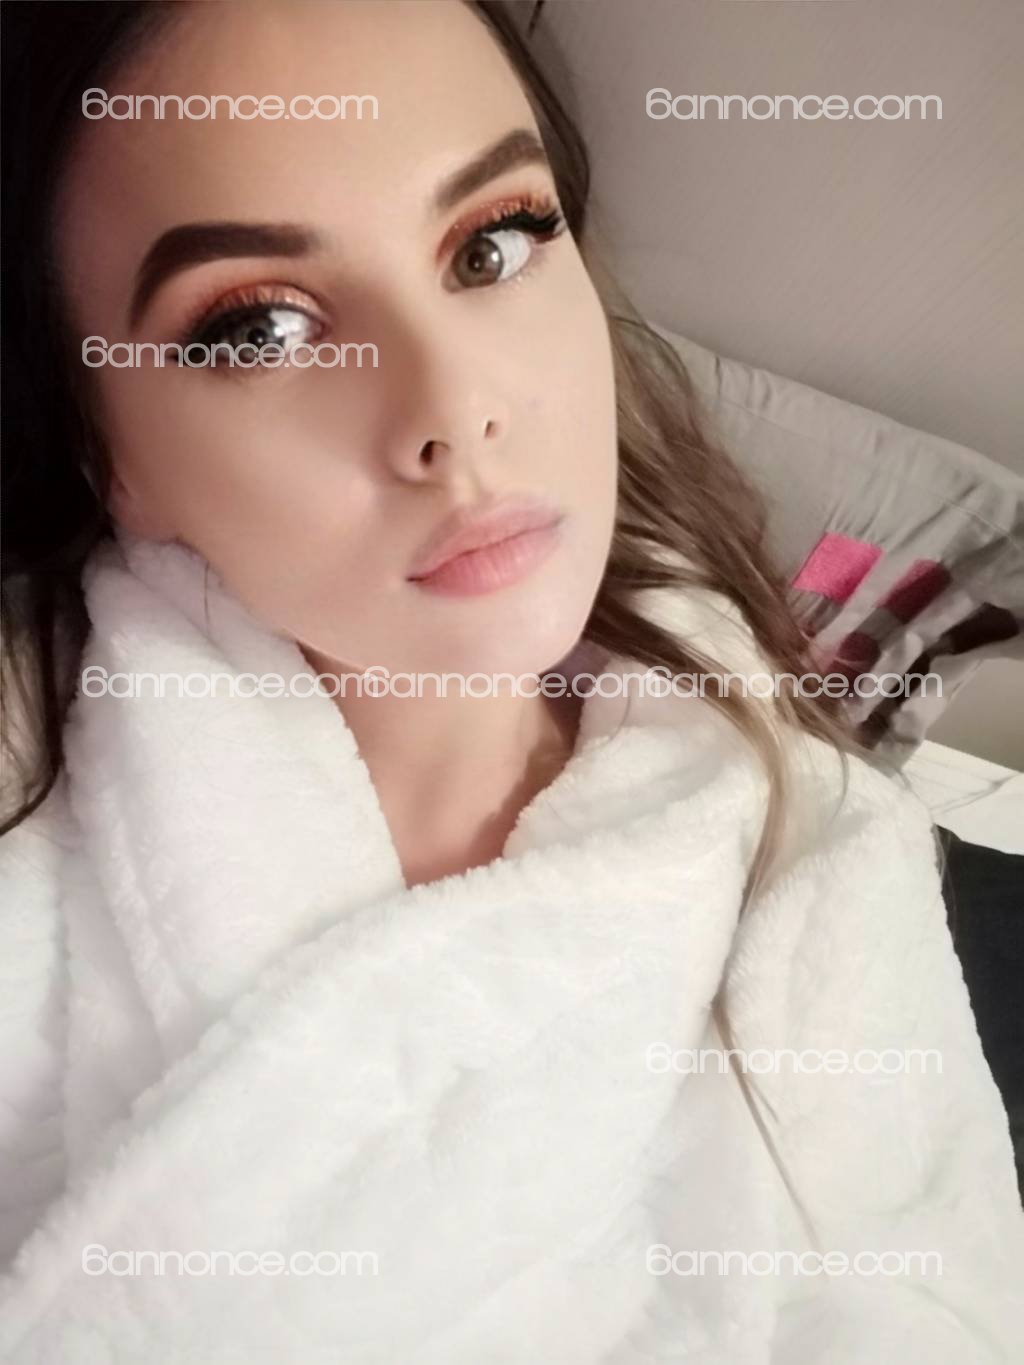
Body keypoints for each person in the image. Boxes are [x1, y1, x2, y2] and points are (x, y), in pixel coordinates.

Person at [1, 2, 1021, 1360]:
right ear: (105, 452)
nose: (454, 408)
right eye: (255, 329)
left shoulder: (822, 835)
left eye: (493, 243)